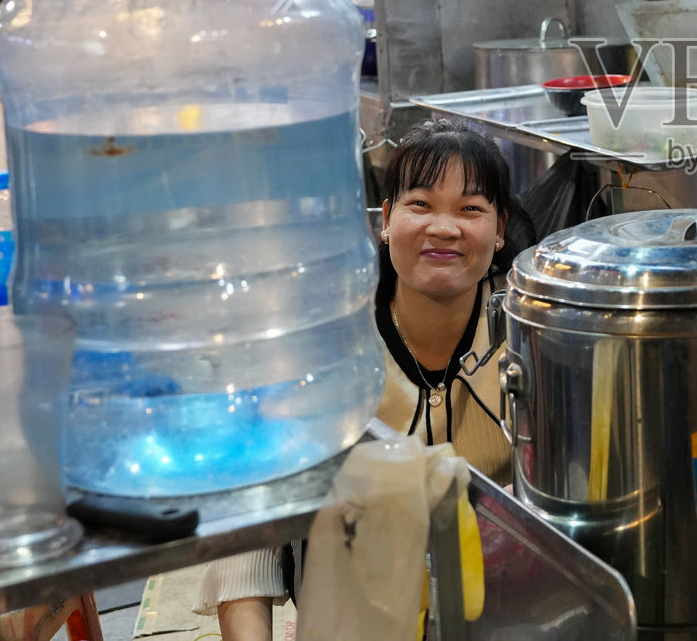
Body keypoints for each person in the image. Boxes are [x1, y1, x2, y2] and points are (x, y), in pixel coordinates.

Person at [197, 118, 535, 640]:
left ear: (499, 230)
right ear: (387, 218)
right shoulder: (325, 339)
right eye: (420, 204)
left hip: (504, 612)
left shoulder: (533, 335)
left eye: (470, 209)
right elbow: (249, 533)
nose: (444, 228)